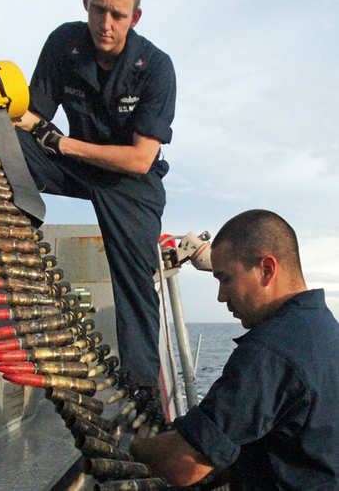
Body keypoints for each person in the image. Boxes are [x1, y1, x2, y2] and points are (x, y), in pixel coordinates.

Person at [14, 0, 176, 389]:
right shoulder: (64, 44)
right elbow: (32, 117)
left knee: (135, 291)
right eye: (100, 9)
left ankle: (144, 400)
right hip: (75, 166)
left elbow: (141, 159)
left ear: (135, 17)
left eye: (118, 15)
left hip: (129, 183)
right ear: (86, 0)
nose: (106, 24)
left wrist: (64, 145)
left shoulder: (156, 68)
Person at [130, 209, 339, 490]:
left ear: (267, 269)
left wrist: (136, 443)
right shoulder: (324, 330)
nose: (220, 296)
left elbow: (183, 465)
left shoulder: (271, 350)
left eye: (225, 278)